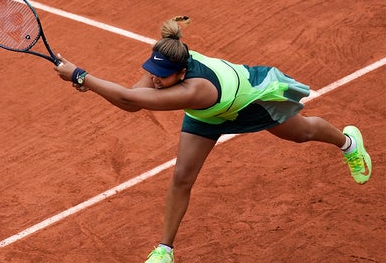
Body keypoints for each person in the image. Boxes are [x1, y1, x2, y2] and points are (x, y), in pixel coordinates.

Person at [53, 16, 372, 263]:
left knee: (301, 133)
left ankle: (348, 143)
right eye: (152, 71)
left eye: (161, 76)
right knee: (181, 177)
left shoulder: (195, 89)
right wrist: (91, 84)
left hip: (251, 102)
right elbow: (132, 102)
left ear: (181, 74)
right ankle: (165, 250)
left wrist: (81, 76)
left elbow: (127, 98)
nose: (154, 79)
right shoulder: (164, 73)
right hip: (208, 115)